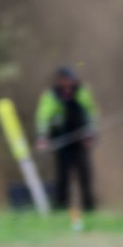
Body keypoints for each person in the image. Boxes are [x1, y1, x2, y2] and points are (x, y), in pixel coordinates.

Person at [34, 66, 100, 213]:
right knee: (62, 176)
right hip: (61, 141)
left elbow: (91, 113)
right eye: (63, 80)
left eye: (69, 79)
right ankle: (60, 208)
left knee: (85, 175)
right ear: (59, 81)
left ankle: (89, 207)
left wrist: (90, 133)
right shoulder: (51, 95)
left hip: (80, 140)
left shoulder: (82, 92)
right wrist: (43, 137)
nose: (67, 83)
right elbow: (43, 117)